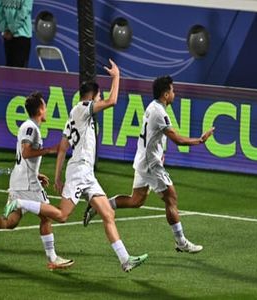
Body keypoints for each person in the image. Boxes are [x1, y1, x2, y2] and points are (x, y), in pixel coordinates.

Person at [3, 60, 148, 272]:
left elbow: (62, 148)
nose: (99, 100)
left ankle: (126, 260)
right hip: (80, 170)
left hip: (86, 173)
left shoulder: (74, 115)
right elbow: (113, 101)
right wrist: (117, 76)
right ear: (92, 96)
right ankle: (20, 204)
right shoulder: (82, 109)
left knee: (108, 214)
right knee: (62, 216)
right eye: (98, 96)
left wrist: (58, 176)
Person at [83, 75, 215, 255]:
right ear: (166, 94)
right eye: (172, 90)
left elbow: (155, 138)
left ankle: (99, 205)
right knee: (171, 198)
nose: (174, 93)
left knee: (135, 200)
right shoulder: (160, 113)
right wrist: (200, 140)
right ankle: (181, 241)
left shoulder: (153, 107)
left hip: (144, 159)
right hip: (150, 164)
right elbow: (178, 140)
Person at [0, 91, 74, 270]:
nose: (46, 110)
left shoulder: (29, 127)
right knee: (48, 217)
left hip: (20, 180)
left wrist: (36, 172)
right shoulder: (30, 127)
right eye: (45, 106)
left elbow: (24, 156)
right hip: (27, 184)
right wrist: (49, 150)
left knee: (11, 222)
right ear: (40, 109)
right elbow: (25, 152)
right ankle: (53, 258)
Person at [0, 0, 33, 68]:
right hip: (14, 35)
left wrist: (7, 29)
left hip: (20, 35)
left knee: (15, 68)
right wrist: (6, 29)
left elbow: (24, 12)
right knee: (13, 68)